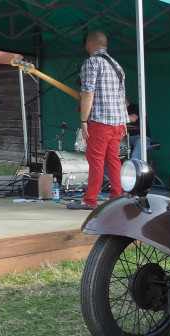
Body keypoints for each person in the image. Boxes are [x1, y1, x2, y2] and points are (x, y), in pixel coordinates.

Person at [68, 31, 129, 210]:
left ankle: (90, 200)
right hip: (117, 122)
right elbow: (121, 96)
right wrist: (124, 120)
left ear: (90, 44)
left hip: (100, 121)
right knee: (113, 160)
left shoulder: (92, 62)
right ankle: (117, 196)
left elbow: (88, 93)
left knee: (95, 160)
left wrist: (83, 121)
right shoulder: (117, 65)